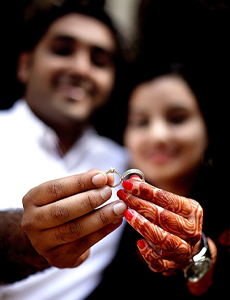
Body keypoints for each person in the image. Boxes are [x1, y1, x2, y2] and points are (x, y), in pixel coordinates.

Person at [0, 0, 129, 299]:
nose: (81, 69)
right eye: (62, 50)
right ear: (25, 65)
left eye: (99, 60)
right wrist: (25, 239)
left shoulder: (126, 160)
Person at [114, 61, 230, 298]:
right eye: (141, 122)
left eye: (177, 119)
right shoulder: (114, 209)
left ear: (208, 127)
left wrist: (199, 254)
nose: (158, 135)